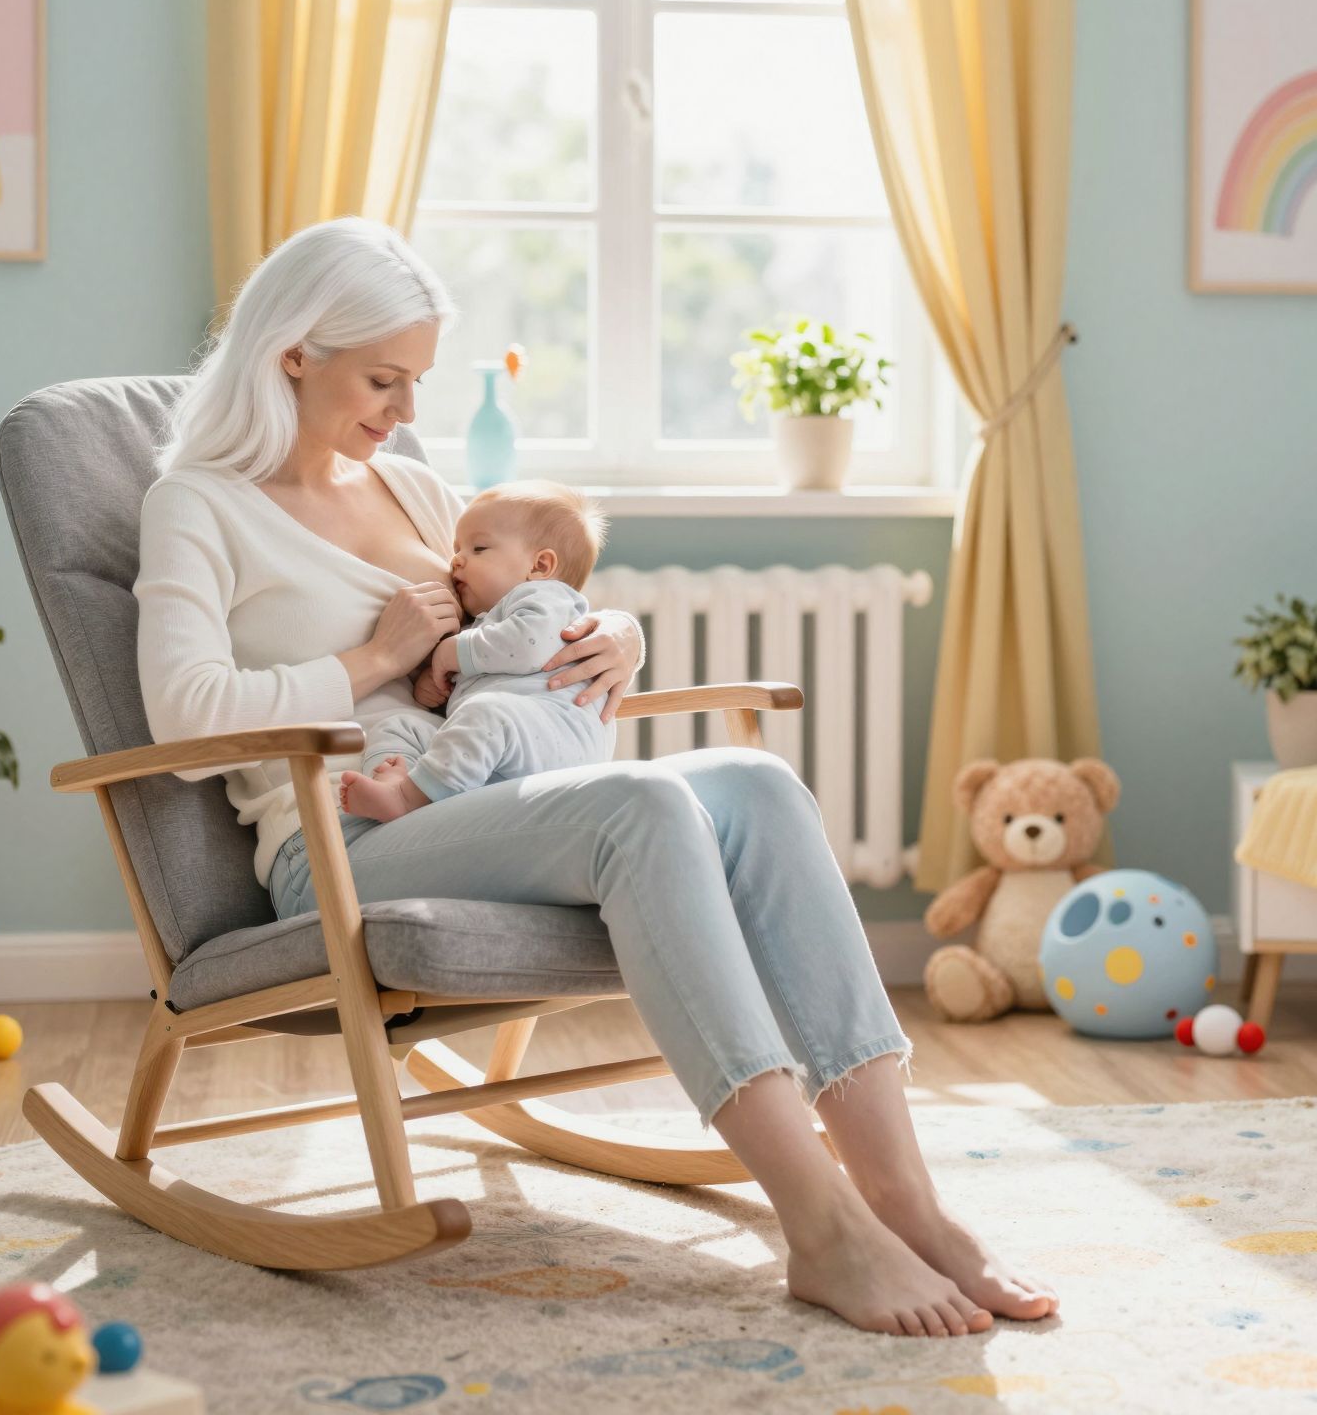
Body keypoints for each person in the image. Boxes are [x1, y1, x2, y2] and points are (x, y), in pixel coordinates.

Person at [134, 215, 1056, 1338]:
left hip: (478, 802)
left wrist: (615, 632)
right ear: (292, 353)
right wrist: (373, 660)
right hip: (341, 846)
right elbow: (183, 710)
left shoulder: (412, 490)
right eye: (383, 380)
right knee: (642, 805)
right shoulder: (199, 504)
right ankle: (820, 1225)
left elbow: (524, 608)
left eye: (417, 381)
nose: (406, 410)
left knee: (758, 787)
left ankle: (906, 1201)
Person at [338, 480, 616, 823]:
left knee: (486, 712)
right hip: (500, 755)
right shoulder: (486, 624)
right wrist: (435, 687)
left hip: (554, 739)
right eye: (457, 549)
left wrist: (451, 652)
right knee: (401, 726)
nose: (456, 560)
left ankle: (407, 799)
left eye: (478, 548)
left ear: (540, 566)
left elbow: (526, 645)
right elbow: (486, 671)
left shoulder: (547, 598)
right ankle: (393, 782)